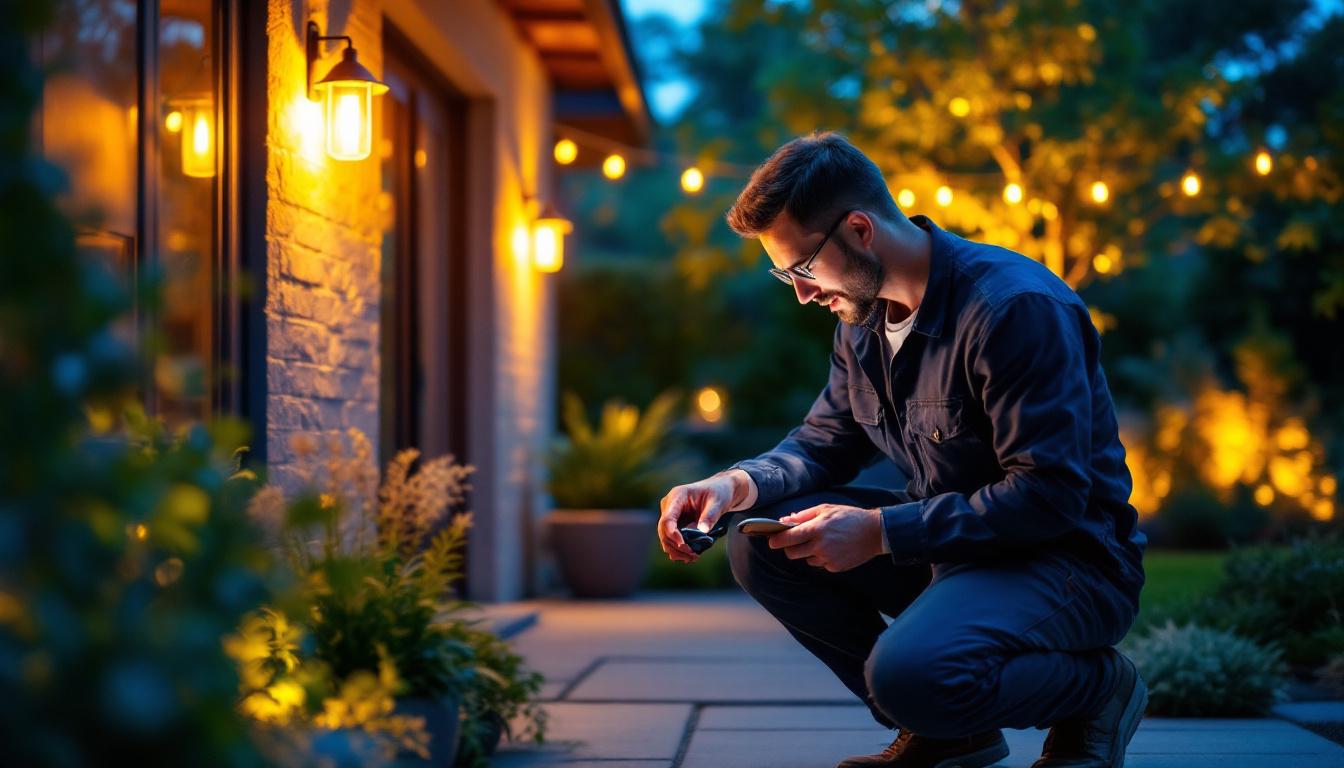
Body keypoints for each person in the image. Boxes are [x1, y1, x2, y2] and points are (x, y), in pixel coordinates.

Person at [656, 132, 1148, 768]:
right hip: (953, 550)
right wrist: (733, 486)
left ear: (860, 229)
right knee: (762, 544)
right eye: (785, 276)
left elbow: (1048, 494)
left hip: (1066, 563)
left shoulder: (1013, 308)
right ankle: (952, 733)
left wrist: (882, 531)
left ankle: (1099, 692)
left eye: (802, 269)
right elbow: (825, 441)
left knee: (908, 676)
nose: (801, 293)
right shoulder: (861, 323)